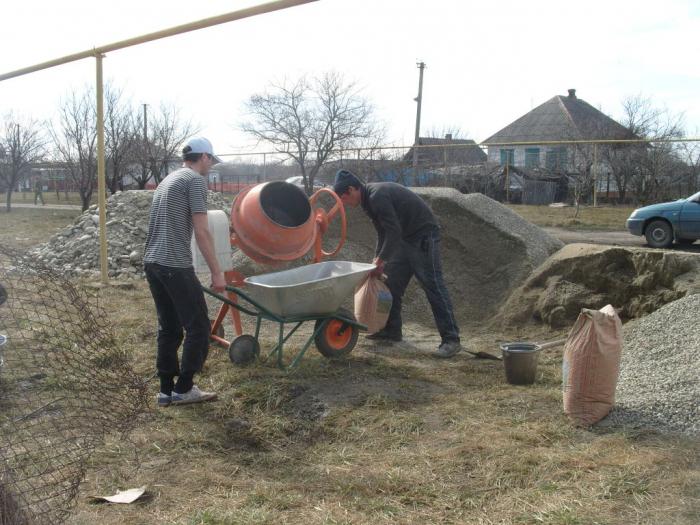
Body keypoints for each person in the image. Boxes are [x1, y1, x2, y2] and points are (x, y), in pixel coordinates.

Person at [333, 169, 463, 358]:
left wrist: (382, 259)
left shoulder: (377, 196)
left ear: (352, 189)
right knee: (391, 283)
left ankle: (451, 340)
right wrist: (376, 259)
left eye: (343, 198)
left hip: (423, 235)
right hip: (405, 237)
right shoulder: (367, 201)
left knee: (433, 285)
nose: (344, 203)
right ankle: (392, 330)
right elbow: (382, 232)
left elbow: (392, 231)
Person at [144, 137, 227, 407]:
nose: (210, 166)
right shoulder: (194, 181)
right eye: (210, 160)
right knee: (199, 327)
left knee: (169, 328)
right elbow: (202, 232)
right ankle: (185, 388)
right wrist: (218, 272)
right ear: (203, 157)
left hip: (153, 262)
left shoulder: (169, 180)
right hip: (174, 264)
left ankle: (166, 390)